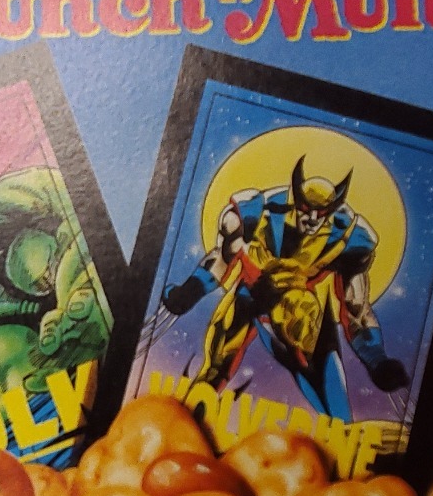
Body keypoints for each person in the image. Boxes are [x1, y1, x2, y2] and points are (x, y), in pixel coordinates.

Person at [163, 157, 408, 422]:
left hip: (298, 304)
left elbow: (355, 306)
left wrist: (376, 360)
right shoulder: (257, 211)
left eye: (322, 213)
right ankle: (186, 422)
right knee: (217, 364)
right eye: (306, 209)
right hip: (252, 291)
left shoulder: (349, 235)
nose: (312, 219)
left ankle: (339, 428)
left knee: (321, 373)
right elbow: (223, 258)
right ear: (295, 199)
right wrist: (190, 291)